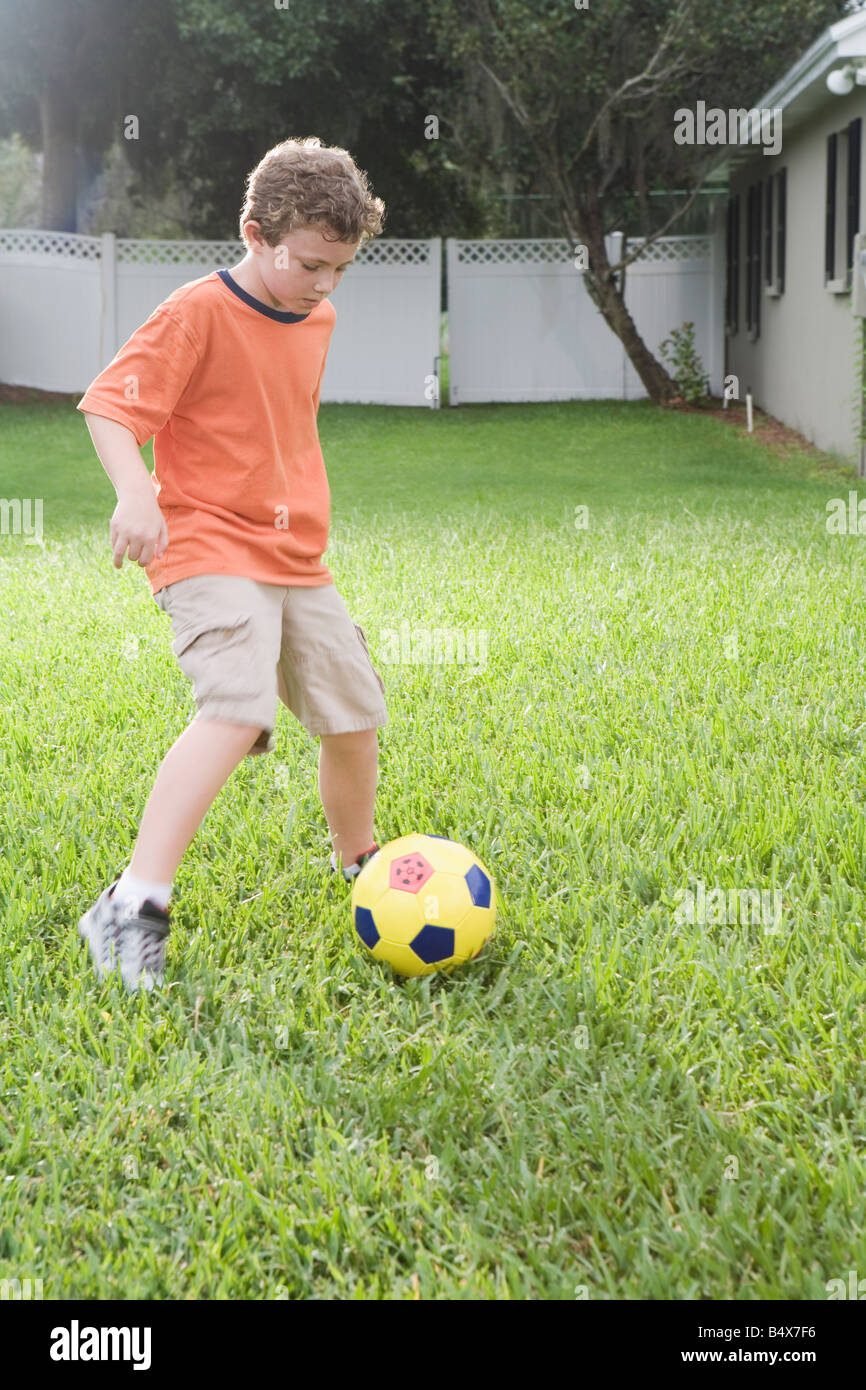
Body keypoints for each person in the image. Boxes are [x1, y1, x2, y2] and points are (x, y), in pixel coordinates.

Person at [76, 137, 388, 992]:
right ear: (255, 233)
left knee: (353, 708)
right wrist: (136, 494)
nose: (325, 285)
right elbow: (110, 405)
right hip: (206, 541)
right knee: (237, 704)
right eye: (311, 264)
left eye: (341, 269)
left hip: (296, 553)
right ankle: (133, 902)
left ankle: (359, 864)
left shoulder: (316, 315)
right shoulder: (195, 313)